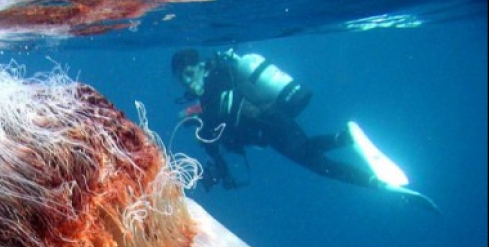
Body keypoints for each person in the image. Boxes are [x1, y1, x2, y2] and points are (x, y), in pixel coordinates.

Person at [171, 48, 439, 212]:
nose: (188, 80)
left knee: (320, 165)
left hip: (271, 125)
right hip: (272, 127)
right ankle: (346, 140)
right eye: (183, 77)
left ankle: (371, 175)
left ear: (201, 66)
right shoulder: (216, 82)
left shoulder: (216, 82)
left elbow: (214, 129)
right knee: (312, 155)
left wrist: (205, 137)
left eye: (190, 72)